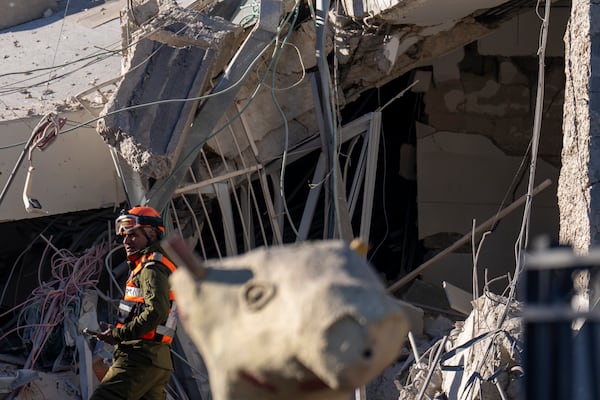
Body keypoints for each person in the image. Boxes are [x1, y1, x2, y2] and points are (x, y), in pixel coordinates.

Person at [90, 206, 178, 400]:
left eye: (133, 235)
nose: (126, 241)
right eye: (124, 236)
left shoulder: (151, 267)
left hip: (139, 357)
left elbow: (157, 311)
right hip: (156, 359)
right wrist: (118, 331)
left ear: (152, 235)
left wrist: (119, 334)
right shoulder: (154, 265)